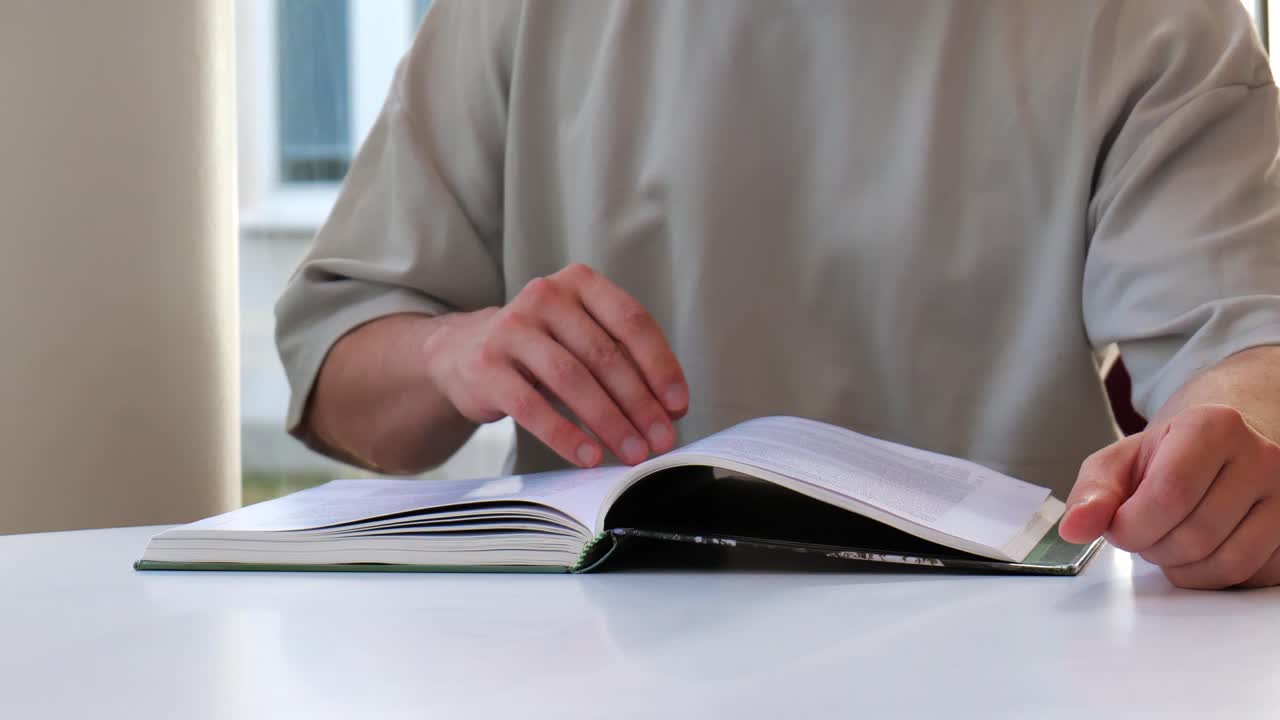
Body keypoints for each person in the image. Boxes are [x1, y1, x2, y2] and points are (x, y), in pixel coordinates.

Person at [276, 1, 1280, 589]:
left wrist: (1228, 447)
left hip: (999, 651)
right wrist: (456, 351)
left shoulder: (1149, 21)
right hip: (592, 663)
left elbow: (1241, 347)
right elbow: (339, 383)